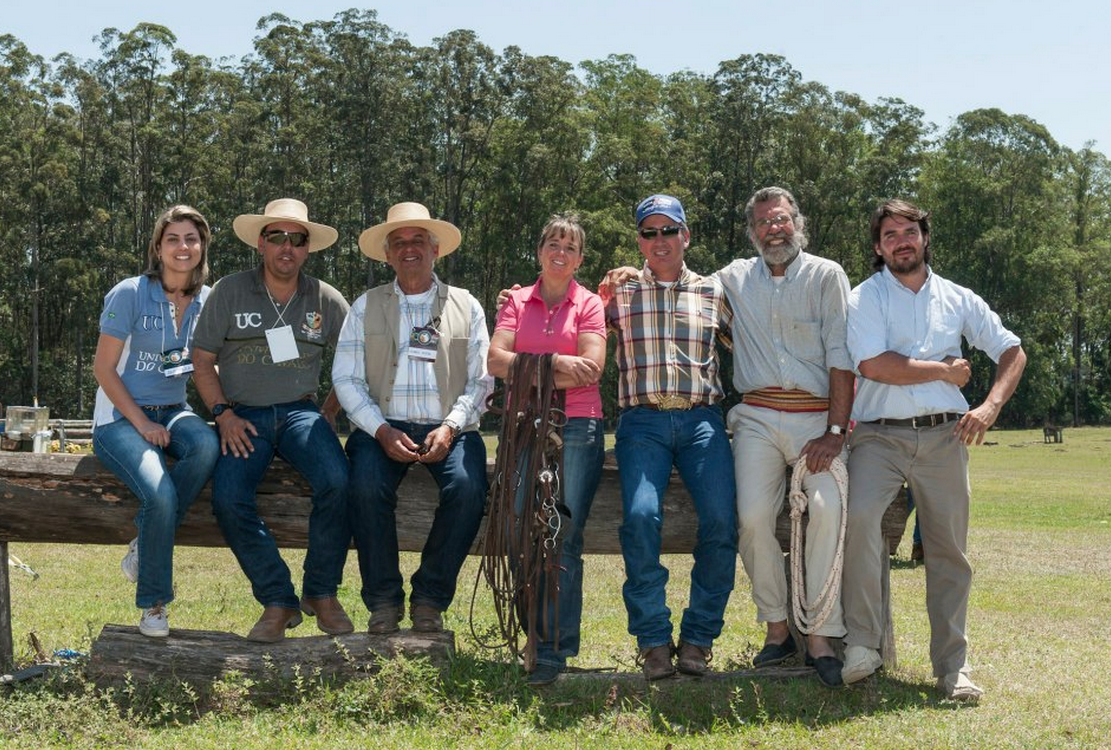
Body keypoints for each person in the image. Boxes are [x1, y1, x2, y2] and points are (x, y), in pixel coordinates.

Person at [841, 198, 1026, 701]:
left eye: (908, 231)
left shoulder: (959, 297)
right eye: (889, 235)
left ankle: (953, 669)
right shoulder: (864, 297)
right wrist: (946, 371)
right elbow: (875, 366)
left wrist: (988, 407)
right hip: (877, 434)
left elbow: (1012, 350)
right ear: (879, 248)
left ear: (924, 237)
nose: (900, 241)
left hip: (947, 435)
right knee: (858, 522)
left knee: (948, 551)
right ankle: (861, 645)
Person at [192, 198, 354, 643]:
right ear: (261, 243)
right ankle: (278, 599)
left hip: (303, 412)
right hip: (243, 415)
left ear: (308, 248)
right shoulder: (229, 291)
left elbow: (352, 364)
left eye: (297, 239)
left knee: (339, 481)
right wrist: (222, 414)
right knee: (228, 498)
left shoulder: (326, 298)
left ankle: (321, 592)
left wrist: (330, 411)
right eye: (277, 237)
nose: (287, 247)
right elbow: (202, 361)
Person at [716, 186, 854, 688]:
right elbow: (678, 285)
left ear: (798, 222)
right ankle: (776, 629)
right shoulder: (732, 278)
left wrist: (836, 432)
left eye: (781, 220)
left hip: (818, 420)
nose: (774, 230)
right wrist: (632, 274)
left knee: (828, 509)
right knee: (751, 519)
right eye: (763, 224)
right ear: (752, 234)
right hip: (754, 418)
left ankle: (820, 635)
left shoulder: (826, 274)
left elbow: (842, 354)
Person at [333, 202, 493, 636]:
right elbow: (345, 378)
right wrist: (381, 430)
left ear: (435, 250)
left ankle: (429, 598)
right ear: (387, 255)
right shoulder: (365, 307)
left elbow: (482, 379)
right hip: (381, 425)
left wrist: (452, 425)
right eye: (399, 243)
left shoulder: (466, 304)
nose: (409, 249)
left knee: (468, 488)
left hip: (451, 427)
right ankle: (383, 601)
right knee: (364, 487)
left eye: (417, 240)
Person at [601, 194, 738, 680]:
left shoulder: (713, 293)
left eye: (668, 230)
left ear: (686, 236)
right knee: (640, 517)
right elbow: (573, 324)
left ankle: (699, 638)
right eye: (649, 232)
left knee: (723, 521)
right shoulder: (617, 292)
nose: (659, 241)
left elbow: (752, 346)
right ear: (639, 239)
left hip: (703, 420)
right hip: (642, 421)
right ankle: (654, 639)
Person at [487, 214, 607, 686]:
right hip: (523, 425)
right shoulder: (517, 300)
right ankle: (530, 631)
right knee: (516, 525)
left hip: (577, 424)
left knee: (564, 534)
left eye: (571, 247)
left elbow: (593, 368)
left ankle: (553, 645)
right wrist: (557, 363)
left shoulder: (591, 304)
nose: (561, 252)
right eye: (553, 243)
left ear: (580, 258)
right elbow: (495, 360)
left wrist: (528, 368)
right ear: (540, 251)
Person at [92, 205, 220, 638]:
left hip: (174, 409)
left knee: (206, 446)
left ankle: (144, 544)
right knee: (161, 493)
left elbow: (209, 367)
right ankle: (153, 604)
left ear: (202, 246)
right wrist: (143, 425)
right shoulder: (129, 292)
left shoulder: (208, 299)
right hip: (118, 417)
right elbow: (104, 369)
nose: (182, 247)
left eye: (191, 238)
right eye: (172, 239)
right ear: (158, 247)